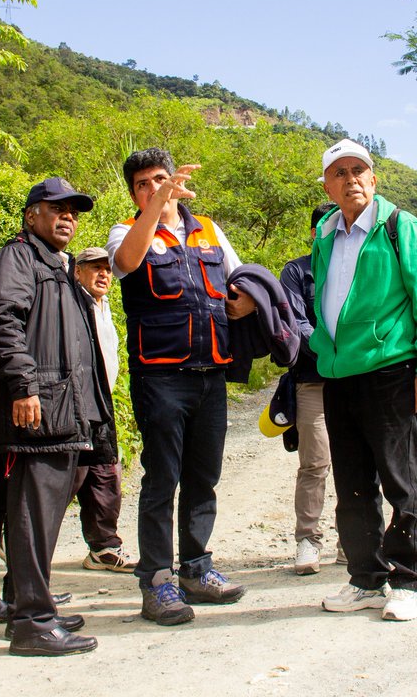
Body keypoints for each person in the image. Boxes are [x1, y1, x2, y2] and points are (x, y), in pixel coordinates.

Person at [106, 147, 257, 626]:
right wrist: (156, 208)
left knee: (203, 477)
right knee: (161, 479)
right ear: (134, 193)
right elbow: (127, 262)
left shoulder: (208, 229)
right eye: (144, 184)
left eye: (161, 180)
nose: (155, 189)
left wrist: (249, 304)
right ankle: (157, 581)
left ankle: (196, 569)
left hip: (211, 374)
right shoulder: (124, 232)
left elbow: (242, 278)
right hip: (160, 377)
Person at [308, 138, 417, 622]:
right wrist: (322, 348)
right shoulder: (326, 233)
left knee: (399, 478)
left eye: (358, 170)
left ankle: (409, 579)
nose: (350, 180)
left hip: (392, 371)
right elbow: (324, 299)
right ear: (328, 185)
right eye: (339, 173)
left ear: (373, 178)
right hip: (340, 375)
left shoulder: (399, 226)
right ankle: (366, 578)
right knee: (351, 484)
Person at [0, 176, 109, 656]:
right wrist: (23, 386)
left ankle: (32, 605)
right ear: (32, 215)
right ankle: (33, 623)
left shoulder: (60, 266)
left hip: (64, 412)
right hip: (37, 410)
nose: (67, 217)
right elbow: (1, 321)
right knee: (31, 513)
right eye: (56, 209)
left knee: (44, 515)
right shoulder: (18, 257)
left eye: (73, 211)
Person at [279, 202, 338, 575]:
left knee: (357, 463)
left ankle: (355, 540)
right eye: (325, 227)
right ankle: (307, 540)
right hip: (314, 378)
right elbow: (296, 320)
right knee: (315, 463)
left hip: (357, 380)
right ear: (314, 232)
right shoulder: (297, 271)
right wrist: (334, 350)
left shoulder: (360, 265)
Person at [71, 246, 134, 573]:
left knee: (106, 475)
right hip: (76, 406)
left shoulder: (103, 304)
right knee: (68, 477)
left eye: (107, 269)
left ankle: (104, 548)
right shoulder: (71, 304)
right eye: (94, 268)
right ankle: (15, 540)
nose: (103, 274)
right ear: (77, 271)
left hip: (102, 405)